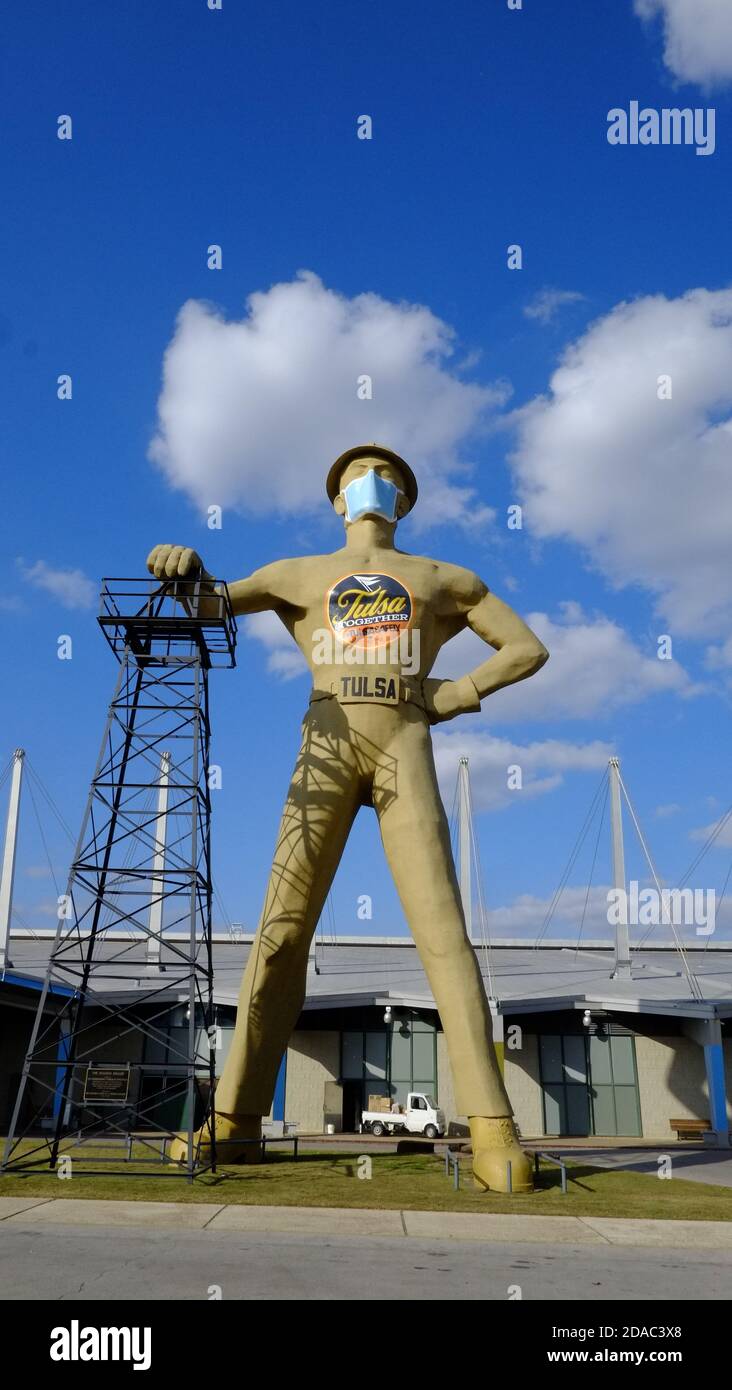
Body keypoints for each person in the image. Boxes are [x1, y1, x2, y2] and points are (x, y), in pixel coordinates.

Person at [146, 444, 549, 1190]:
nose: (375, 482)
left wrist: (450, 694)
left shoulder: (440, 577)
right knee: (280, 933)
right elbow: (211, 602)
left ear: (406, 498)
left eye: (390, 475)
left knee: (444, 937)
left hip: (405, 743)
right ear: (337, 499)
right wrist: (186, 567)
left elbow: (526, 647)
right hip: (324, 747)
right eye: (361, 474)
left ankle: (493, 1128)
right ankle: (233, 1122)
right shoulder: (298, 573)